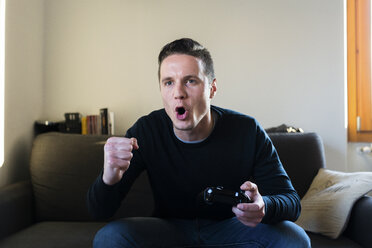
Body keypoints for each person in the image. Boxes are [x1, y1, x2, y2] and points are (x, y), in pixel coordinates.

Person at [87, 38, 311, 248]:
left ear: (212, 88)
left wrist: (264, 206)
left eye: (190, 81)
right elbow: (99, 212)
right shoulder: (146, 130)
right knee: (110, 236)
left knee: (294, 238)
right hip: (169, 229)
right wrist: (108, 178)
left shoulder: (247, 130)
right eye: (168, 83)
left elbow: (291, 202)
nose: (178, 93)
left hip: (231, 229)